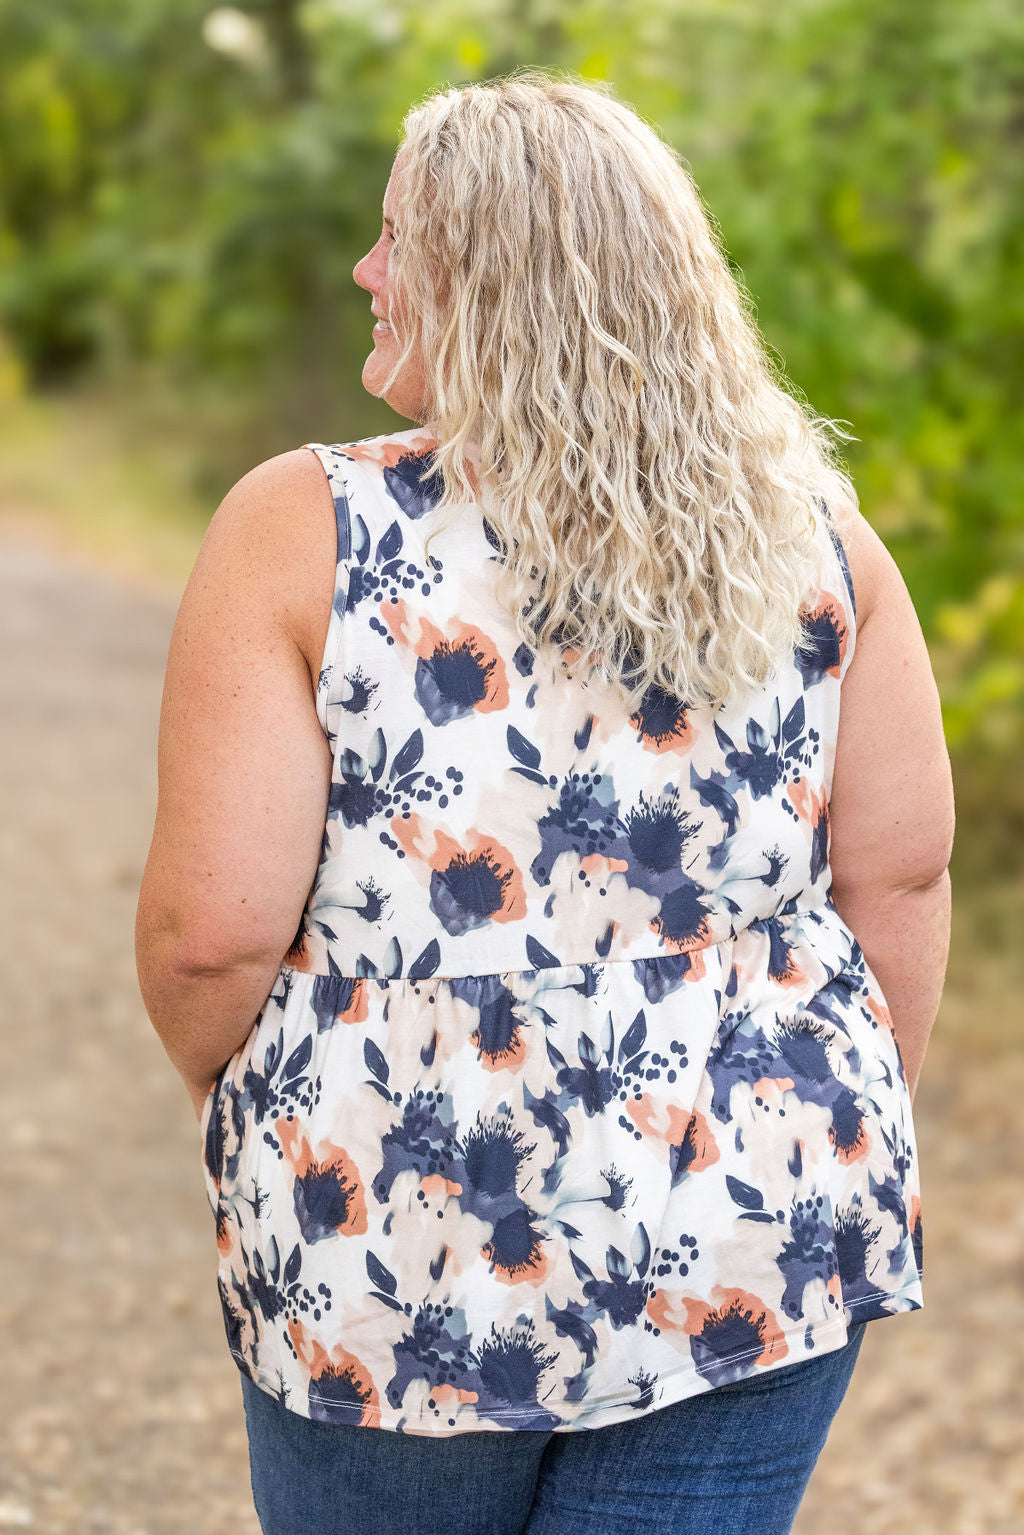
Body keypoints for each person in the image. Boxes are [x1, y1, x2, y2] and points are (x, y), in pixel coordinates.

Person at [135, 71, 954, 1535]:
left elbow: (211, 936)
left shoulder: (302, 530)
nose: (365, 273)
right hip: (756, 1227)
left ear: (498, 281)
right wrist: (808, 1128)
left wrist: (247, 1097)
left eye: (399, 241)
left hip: (407, 1239)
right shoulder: (822, 539)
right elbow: (898, 881)